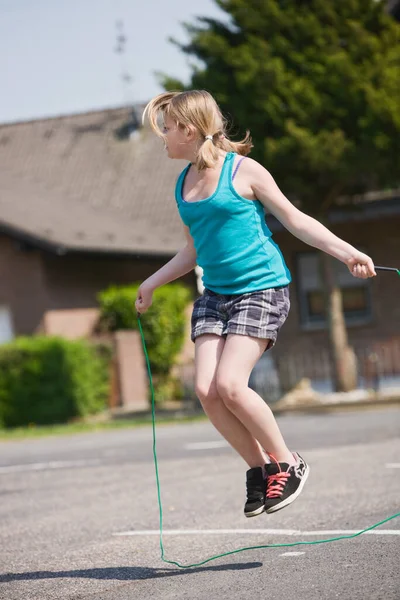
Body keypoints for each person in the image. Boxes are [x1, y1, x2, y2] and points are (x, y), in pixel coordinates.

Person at [135, 90, 376, 518]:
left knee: (231, 385)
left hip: (261, 289)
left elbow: (296, 219)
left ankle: (288, 462)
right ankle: (260, 470)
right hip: (215, 295)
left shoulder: (242, 171)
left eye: (167, 129)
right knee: (207, 391)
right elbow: (191, 251)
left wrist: (348, 253)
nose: (164, 138)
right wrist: (151, 284)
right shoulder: (183, 185)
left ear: (189, 130)